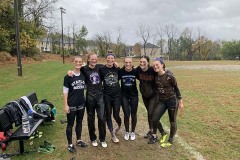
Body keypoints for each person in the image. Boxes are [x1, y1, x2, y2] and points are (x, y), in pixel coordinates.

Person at [152, 57, 184, 147]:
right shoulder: (155, 76)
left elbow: (176, 88)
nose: (155, 67)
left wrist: (180, 101)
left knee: (172, 121)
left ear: (162, 65)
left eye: (157, 65)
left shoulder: (169, 76)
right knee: (154, 119)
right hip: (162, 101)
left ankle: (171, 138)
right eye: (154, 65)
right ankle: (163, 133)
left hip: (172, 101)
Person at [136, 55, 167, 144]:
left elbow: (161, 72)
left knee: (152, 114)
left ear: (148, 63)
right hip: (145, 95)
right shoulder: (138, 70)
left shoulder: (152, 70)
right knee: (149, 115)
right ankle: (151, 130)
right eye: (141, 62)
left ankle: (157, 134)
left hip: (154, 95)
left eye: (144, 62)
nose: (142, 63)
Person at [81, 52, 107, 148]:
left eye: (95, 59)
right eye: (92, 59)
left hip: (100, 95)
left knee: (101, 117)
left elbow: (109, 67)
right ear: (88, 59)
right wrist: (70, 72)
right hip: (90, 96)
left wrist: (115, 64)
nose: (94, 61)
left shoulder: (100, 67)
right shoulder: (84, 69)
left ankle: (102, 138)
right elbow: (76, 71)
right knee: (91, 118)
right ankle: (93, 138)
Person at [63, 56, 88, 153]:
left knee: (79, 122)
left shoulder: (83, 75)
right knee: (70, 124)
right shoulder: (68, 77)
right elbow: (65, 92)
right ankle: (70, 144)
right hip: (71, 104)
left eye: (80, 62)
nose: (78, 63)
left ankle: (79, 140)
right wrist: (66, 105)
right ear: (73, 62)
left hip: (81, 103)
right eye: (76, 62)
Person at [99, 52, 121, 143]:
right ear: (106, 59)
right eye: (108, 58)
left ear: (114, 60)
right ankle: (112, 134)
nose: (110, 60)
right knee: (108, 114)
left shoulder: (117, 68)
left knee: (116, 114)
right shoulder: (102, 69)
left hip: (116, 95)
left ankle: (119, 125)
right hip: (106, 95)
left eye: (112, 58)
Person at [119, 57, 138, 141]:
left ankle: (132, 132)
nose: (128, 64)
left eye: (129, 62)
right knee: (126, 114)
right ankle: (127, 131)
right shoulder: (120, 71)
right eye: (126, 62)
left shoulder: (135, 71)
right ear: (124, 62)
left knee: (133, 114)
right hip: (124, 96)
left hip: (134, 96)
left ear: (132, 62)